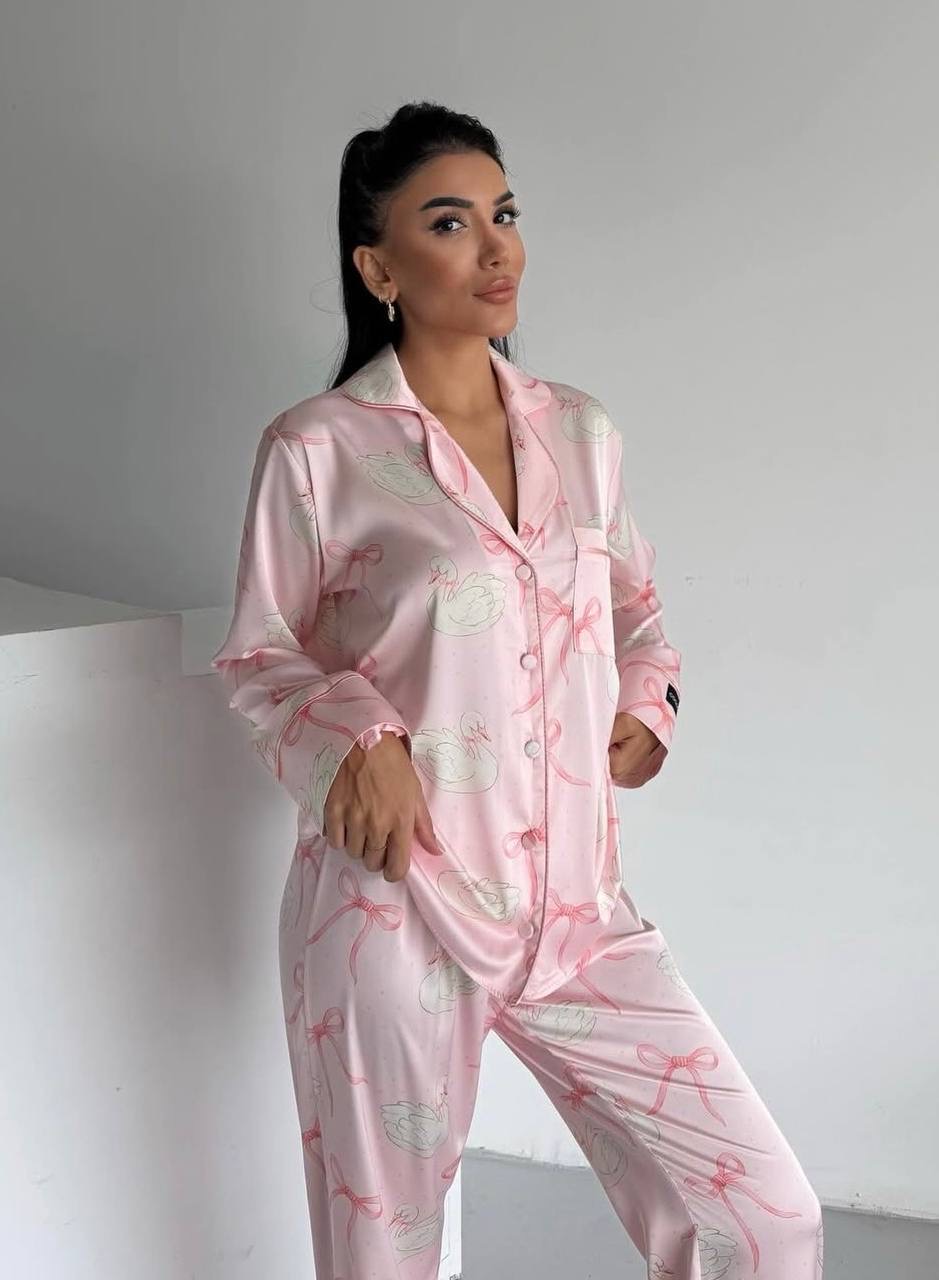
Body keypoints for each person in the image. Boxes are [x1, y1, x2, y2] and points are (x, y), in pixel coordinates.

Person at [211, 100, 823, 1280]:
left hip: (579, 908)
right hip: (396, 905)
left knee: (764, 1214)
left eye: (505, 214)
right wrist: (356, 736)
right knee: (385, 1255)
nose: (497, 248)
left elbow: (638, 609)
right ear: (379, 267)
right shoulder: (319, 448)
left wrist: (646, 700)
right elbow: (259, 654)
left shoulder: (580, 431)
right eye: (451, 223)